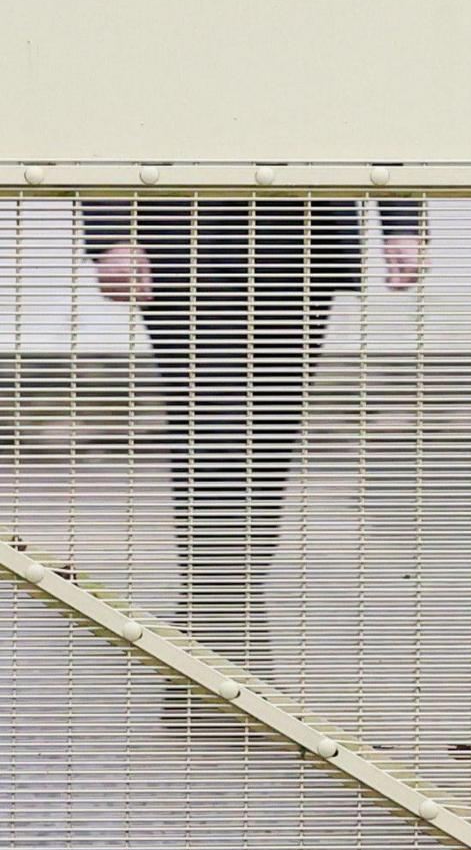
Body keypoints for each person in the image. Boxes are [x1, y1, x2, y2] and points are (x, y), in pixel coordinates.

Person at [83, 195, 423, 667]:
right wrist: (111, 232)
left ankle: (219, 657)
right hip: (185, 227)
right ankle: (220, 663)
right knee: (218, 436)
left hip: (305, 231)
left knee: (266, 438)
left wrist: (401, 220)